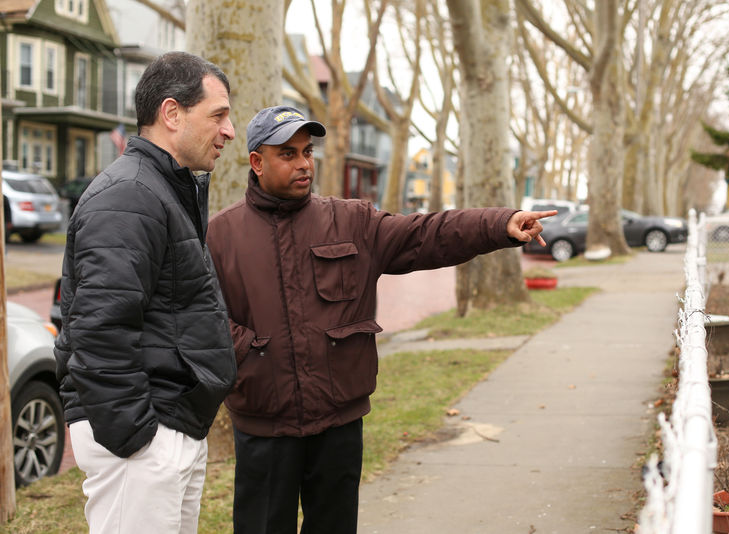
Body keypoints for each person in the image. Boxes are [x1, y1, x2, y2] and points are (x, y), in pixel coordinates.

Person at [206, 105, 556, 534]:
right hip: (264, 425)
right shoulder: (219, 235)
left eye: (307, 152)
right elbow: (203, 317)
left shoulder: (351, 221)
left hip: (337, 424)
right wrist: (247, 357)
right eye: (287, 154)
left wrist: (500, 224)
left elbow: (428, 234)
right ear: (256, 163)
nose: (303, 164)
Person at [53, 51, 238, 534]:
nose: (230, 131)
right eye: (217, 115)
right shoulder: (128, 196)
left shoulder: (162, 190)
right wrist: (138, 438)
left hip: (169, 426)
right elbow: (98, 329)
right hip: (142, 436)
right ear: (172, 113)